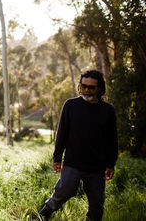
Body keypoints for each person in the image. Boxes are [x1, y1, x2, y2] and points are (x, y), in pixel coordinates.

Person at [39, 70, 118, 221]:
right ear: (80, 86)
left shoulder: (108, 110)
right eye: (83, 86)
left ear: (100, 88)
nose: (86, 90)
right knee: (64, 190)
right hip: (73, 161)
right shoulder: (71, 105)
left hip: (97, 166)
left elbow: (112, 140)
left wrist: (110, 164)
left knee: (97, 203)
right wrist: (57, 157)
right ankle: (45, 212)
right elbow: (62, 133)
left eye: (91, 87)